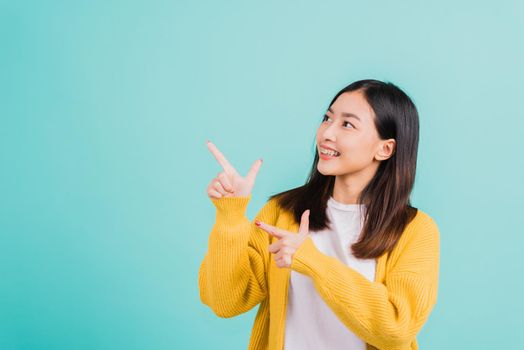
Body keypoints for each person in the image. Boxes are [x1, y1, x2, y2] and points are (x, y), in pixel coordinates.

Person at [198, 79, 440, 350]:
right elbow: (225, 301)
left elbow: (396, 328)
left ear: (385, 149)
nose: (326, 133)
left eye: (347, 124)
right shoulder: (283, 212)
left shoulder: (416, 231)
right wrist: (230, 215)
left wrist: (313, 261)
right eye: (327, 118)